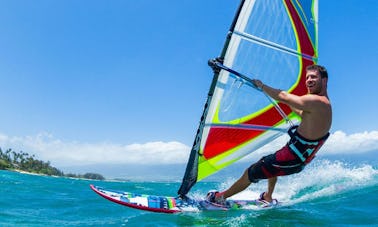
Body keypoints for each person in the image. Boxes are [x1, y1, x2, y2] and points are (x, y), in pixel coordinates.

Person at [207, 64, 332, 205]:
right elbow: (302, 113)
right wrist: (287, 102)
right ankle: (268, 196)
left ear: (324, 80)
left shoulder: (317, 101)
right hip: (295, 160)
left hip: (291, 159)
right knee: (267, 161)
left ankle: (219, 198)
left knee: (251, 173)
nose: (309, 80)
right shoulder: (323, 106)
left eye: (313, 77)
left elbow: (283, 96)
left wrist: (262, 86)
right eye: (307, 77)